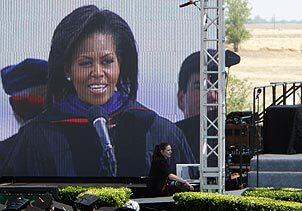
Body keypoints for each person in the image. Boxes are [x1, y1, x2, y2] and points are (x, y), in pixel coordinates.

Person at [1, 5, 195, 177]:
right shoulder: (38, 136)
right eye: (85, 63)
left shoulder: (158, 131)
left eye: (107, 61)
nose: (97, 73)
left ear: (121, 64)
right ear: (68, 69)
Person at [174, 49, 241, 159]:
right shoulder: (168, 138)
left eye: (218, 86)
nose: (212, 96)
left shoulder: (233, 137)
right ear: (181, 99)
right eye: (200, 87)